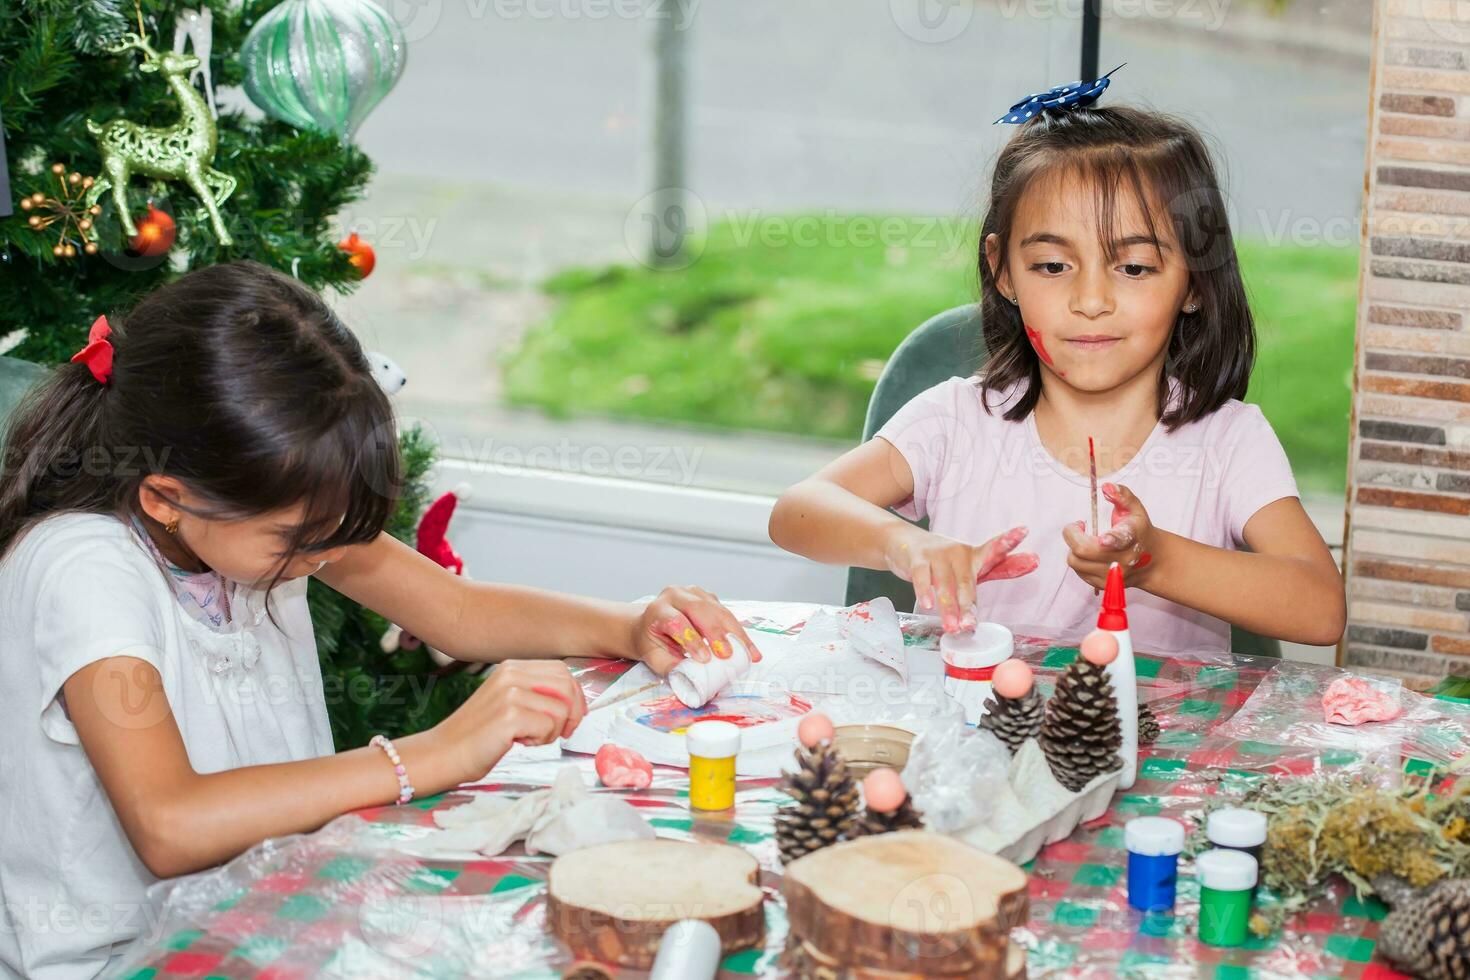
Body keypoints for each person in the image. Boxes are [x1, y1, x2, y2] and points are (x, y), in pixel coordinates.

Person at [0, 260, 759, 979]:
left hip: (265, 918)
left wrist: (626, 627)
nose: (324, 555)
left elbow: (456, 611)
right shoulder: (85, 570)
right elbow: (170, 824)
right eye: (299, 542)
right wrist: (430, 755)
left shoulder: (255, 525)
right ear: (165, 496)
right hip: (124, 960)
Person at [770, 87, 1345, 654]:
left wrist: (1158, 561)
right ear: (1003, 272)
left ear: (1194, 280)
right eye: (1051, 264)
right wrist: (904, 546)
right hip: (973, 735)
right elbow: (796, 512)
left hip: (1151, 744)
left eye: (1136, 267)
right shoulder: (955, 422)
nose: (1090, 299)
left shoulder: (1226, 441)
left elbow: (1321, 609)